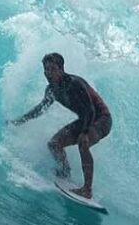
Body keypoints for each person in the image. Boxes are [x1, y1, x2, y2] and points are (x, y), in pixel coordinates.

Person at [8, 52, 112, 199]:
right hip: (85, 120)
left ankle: (87, 189)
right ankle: (65, 173)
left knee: (84, 142)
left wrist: (84, 132)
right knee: (54, 144)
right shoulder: (52, 90)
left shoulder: (75, 84)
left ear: (61, 69)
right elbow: (40, 109)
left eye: (52, 69)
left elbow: (90, 110)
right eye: (45, 69)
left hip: (101, 119)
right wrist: (21, 120)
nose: (48, 73)